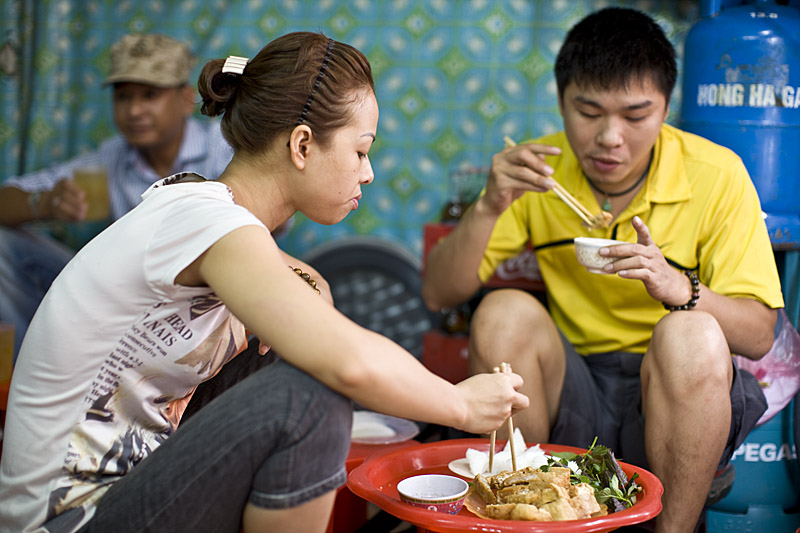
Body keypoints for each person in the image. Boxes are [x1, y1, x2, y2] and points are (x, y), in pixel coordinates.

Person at [0, 31, 529, 533]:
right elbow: (348, 360)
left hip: (127, 488)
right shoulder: (207, 221)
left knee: (290, 351)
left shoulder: (204, 209)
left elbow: (289, 274)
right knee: (314, 391)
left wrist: (308, 287)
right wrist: (459, 404)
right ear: (302, 145)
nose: (367, 173)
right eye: (361, 150)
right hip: (70, 518)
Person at [422, 8, 783, 533]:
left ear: (665, 108)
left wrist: (678, 287)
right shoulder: (539, 173)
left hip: (675, 398)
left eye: (636, 116)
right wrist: (488, 207)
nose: (610, 137)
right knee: (502, 311)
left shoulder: (716, 174)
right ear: (563, 101)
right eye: (588, 112)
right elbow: (437, 292)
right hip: (576, 388)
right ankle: (531, 511)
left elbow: (759, 334)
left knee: (691, 332)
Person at [0, 33, 233, 358]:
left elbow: (273, 218)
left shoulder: (222, 150)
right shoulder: (112, 158)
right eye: (123, 97)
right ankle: (29, 366)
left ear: (184, 99)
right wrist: (46, 203)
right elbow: (8, 198)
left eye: (149, 95)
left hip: (202, 306)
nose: (134, 110)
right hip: (126, 304)